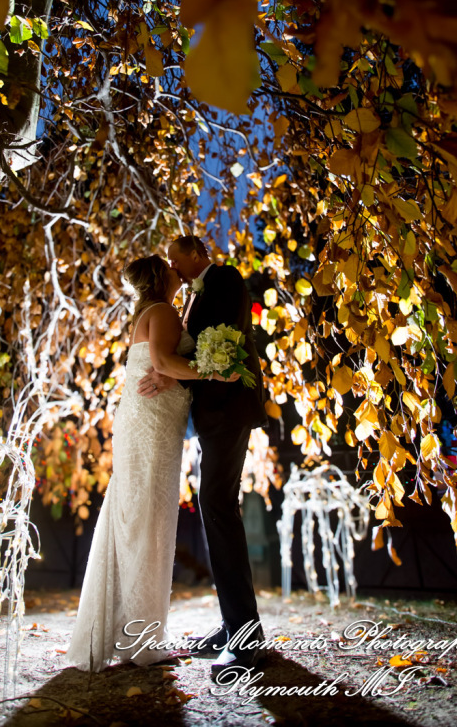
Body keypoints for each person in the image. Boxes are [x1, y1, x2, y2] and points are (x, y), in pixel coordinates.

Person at [67, 254, 238, 672]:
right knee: (148, 524)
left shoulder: (152, 310)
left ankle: (130, 633)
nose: (175, 270)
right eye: (169, 265)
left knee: (140, 521)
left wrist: (177, 374)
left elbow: (161, 366)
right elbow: (162, 363)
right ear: (160, 277)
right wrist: (215, 372)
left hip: (151, 423)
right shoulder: (161, 310)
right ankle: (141, 642)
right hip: (152, 425)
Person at [138, 235, 268, 677]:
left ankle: (245, 636)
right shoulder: (193, 298)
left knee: (217, 507)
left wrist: (173, 374)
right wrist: (170, 374)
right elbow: (197, 349)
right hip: (211, 415)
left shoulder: (226, 279)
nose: (172, 267)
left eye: (176, 258)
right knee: (215, 508)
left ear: (197, 254)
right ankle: (234, 625)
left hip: (230, 410)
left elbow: (222, 345)